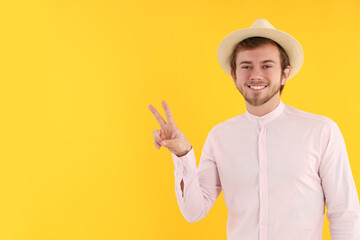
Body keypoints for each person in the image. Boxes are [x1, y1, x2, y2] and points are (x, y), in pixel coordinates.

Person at [148, 19, 360, 240]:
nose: (255, 75)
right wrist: (182, 153)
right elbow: (194, 211)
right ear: (234, 74)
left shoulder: (321, 132)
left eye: (267, 66)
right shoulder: (220, 137)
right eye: (246, 66)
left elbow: (345, 215)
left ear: (285, 74)